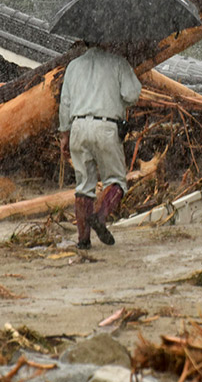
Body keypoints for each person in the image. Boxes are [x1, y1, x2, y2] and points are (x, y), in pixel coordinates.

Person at [57, 41, 143, 250]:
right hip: (106, 126)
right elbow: (132, 95)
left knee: (83, 186)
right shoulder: (118, 63)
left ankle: (83, 241)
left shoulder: (73, 66)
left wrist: (64, 133)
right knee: (116, 181)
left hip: (78, 126)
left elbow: (65, 103)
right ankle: (100, 216)